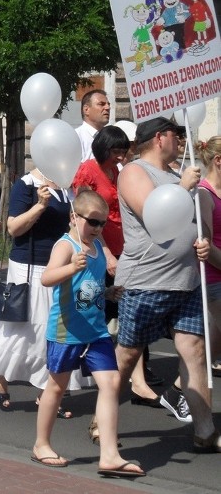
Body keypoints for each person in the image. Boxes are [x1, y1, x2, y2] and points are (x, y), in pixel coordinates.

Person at [115, 117, 220, 453]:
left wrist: (201, 241)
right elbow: (155, 215)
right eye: (176, 135)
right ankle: (102, 418)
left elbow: (188, 223)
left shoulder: (175, 175)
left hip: (186, 282)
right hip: (147, 282)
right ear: (160, 138)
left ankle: (205, 430)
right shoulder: (134, 172)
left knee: (195, 351)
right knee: (128, 356)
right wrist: (185, 189)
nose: (181, 140)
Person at [32, 190, 143, 478]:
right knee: (57, 387)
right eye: (92, 222)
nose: (97, 228)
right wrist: (70, 266)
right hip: (66, 329)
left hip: (95, 330)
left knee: (111, 382)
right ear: (74, 217)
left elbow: (87, 290)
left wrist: (107, 293)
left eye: (102, 223)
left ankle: (109, 454)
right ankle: (41, 444)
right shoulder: (66, 245)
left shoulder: (94, 250)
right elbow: (47, 278)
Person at [0, 167, 89, 413]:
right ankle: (0, 375)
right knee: (23, 327)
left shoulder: (67, 186)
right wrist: (40, 206)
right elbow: (13, 228)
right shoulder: (27, 184)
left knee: (55, 329)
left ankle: (48, 394)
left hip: (60, 265)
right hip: (29, 267)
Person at [72, 125, 164, 412]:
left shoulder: (121, 172)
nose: (120, 155)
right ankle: (61, 372)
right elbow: (84, 218)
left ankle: (138, 380)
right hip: (100, 252)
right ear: (102, 148)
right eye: (115, 151)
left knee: (130, 311)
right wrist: (108, 254)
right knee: (90, 311)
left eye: (124, 150)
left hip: (125, 250)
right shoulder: (88, 171)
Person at [195, 138, 221, 397]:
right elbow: (207, 247)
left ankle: (178, 391)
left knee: (206, 353)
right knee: (204, 353)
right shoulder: (204, 194)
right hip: (215, 280)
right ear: (218, 161)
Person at [75, 89, 111, 162]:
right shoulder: (75, 138)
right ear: (86, 109)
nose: (108, 108)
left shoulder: (110, 138)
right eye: (101, 104)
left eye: (108, 104)